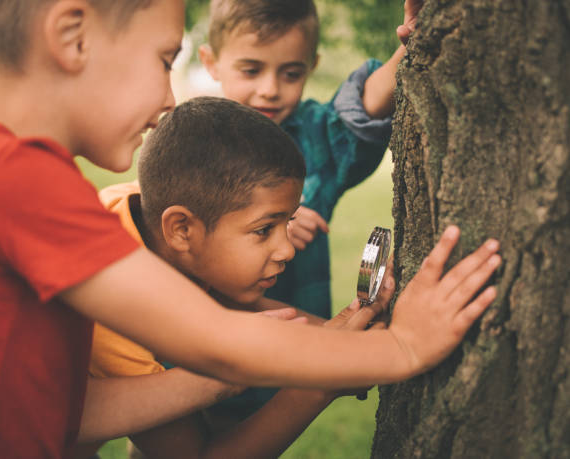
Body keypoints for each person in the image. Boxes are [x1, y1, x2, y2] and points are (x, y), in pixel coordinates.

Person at [0, 0, 500, 457]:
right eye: (164, 58)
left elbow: (70, 408)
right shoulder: (17, 179)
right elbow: (217, 344)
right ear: (73, 38)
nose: (171, 98)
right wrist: (403, 348)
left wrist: (333, 347)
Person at [78, 96, 395, 459]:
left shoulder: (151, 215)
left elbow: (229, 303)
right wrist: (316, 386)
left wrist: (349, 341)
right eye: (264, 230)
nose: (287, 250)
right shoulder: (113, 318)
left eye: (287, 222)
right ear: (181, 229)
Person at [197, 0, 426, 422]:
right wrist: (270, 221)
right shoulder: (193, 145)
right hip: (198, 376)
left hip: (287, 376)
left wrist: (413, 45)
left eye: (291, 73)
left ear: (312, 64)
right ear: (210, 61)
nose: (270, 88)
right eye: (251, 70)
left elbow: (360, 112)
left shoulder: (314, 137)